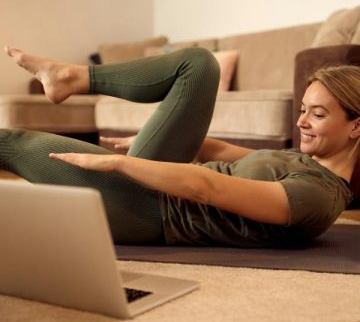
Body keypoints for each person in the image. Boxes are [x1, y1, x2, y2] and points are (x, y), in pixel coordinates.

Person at [2, 46, 360, 247]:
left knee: (12, 142)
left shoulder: (316, 196)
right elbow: (219, 155)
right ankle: (72, 77)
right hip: (162, 187)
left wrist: (119, 164)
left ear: (356, 127)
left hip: (154, 213)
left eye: (317, 114)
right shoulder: (305, 162)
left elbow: (205, 188)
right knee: (200, 65)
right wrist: (163, 134)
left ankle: (70, 80)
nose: (301, 122)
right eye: (302, 111)